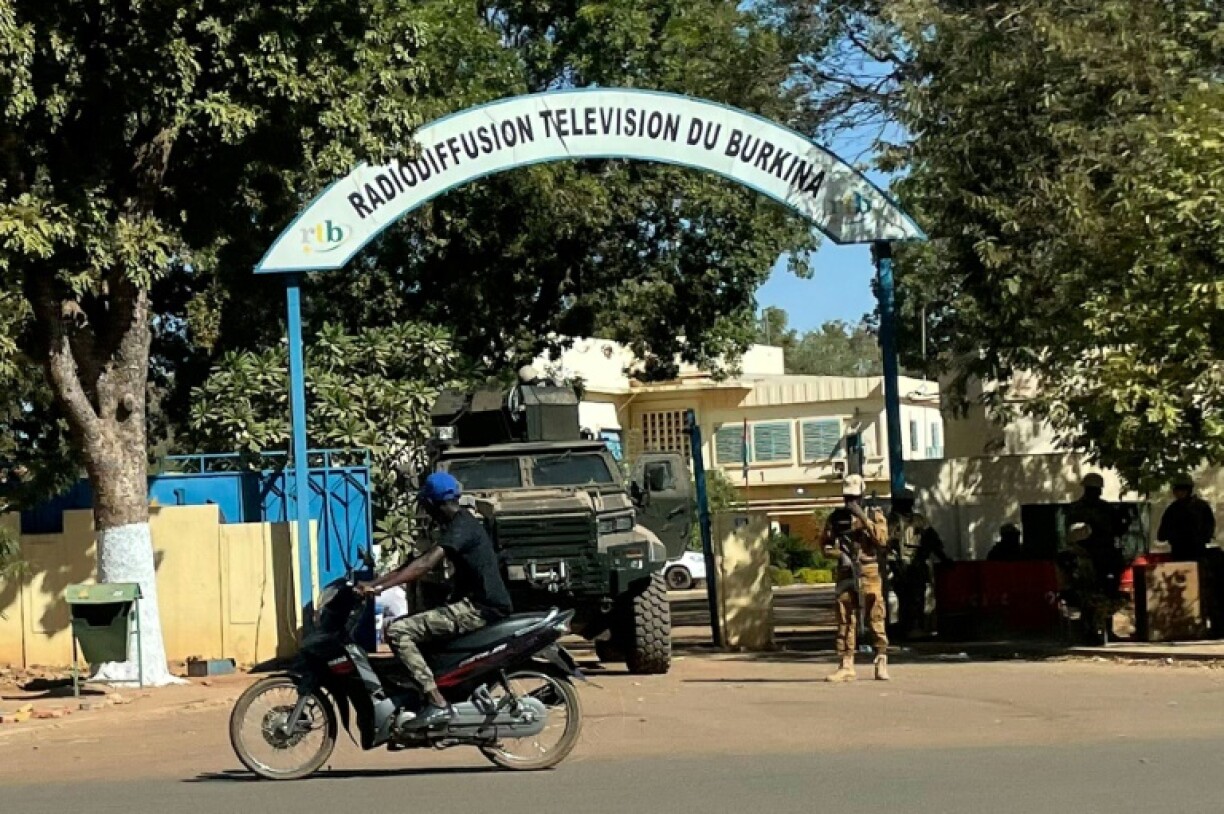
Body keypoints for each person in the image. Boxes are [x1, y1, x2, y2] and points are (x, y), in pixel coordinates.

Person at [358, 472, 513, 728]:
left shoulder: (461, 528)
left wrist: (381, 588)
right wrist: (374, 584)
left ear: (431, 504)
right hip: (471, 603)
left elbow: (425, 564)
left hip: (479, 608)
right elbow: (414, 563)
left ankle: (437, 702)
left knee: (397, 630)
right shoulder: (457, 524)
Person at [823, 475, 891, 682]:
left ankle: (881, 659)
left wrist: (864, 518)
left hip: (869, 570)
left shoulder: (873, 514)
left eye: (854, 497)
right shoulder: (836, 518)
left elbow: (882, 540)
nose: (850, 501)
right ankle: (846, 664)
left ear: (861, 495)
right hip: (846, 571)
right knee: (845, 617)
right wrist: (840, 555)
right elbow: (825, 545)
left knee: (876, 615)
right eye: (847, 497)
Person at [1064, 473, 1127, 643]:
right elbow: (1072, 535)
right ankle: (1091, 631)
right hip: (1086, 558)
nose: (1095, 492)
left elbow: (1118, 530)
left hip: (1105, 558)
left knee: (1108, 595)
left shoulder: (1105, 509)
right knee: (1090, 596)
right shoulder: (1078, 509)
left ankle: (1106, 630)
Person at [888, 486, 951, 640]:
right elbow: (889, 546)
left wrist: (943, 558)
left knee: (918, 598)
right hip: (901, 564)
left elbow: (932, 539)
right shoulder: (893, 520)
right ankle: (906, 629)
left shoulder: (918, 520)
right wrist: (896, 567)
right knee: (905, 600)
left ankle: (918, 628)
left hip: (917, 564)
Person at [1156, 474, 1216, 562]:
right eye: (1177, 490)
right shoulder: (1173, 509)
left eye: (1181, 490)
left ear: (1188, 490)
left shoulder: (1201, 507)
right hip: (1181, 553)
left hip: (1196, 553)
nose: (1178, 493)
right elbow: (1162, 534)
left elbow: (1208, 528)